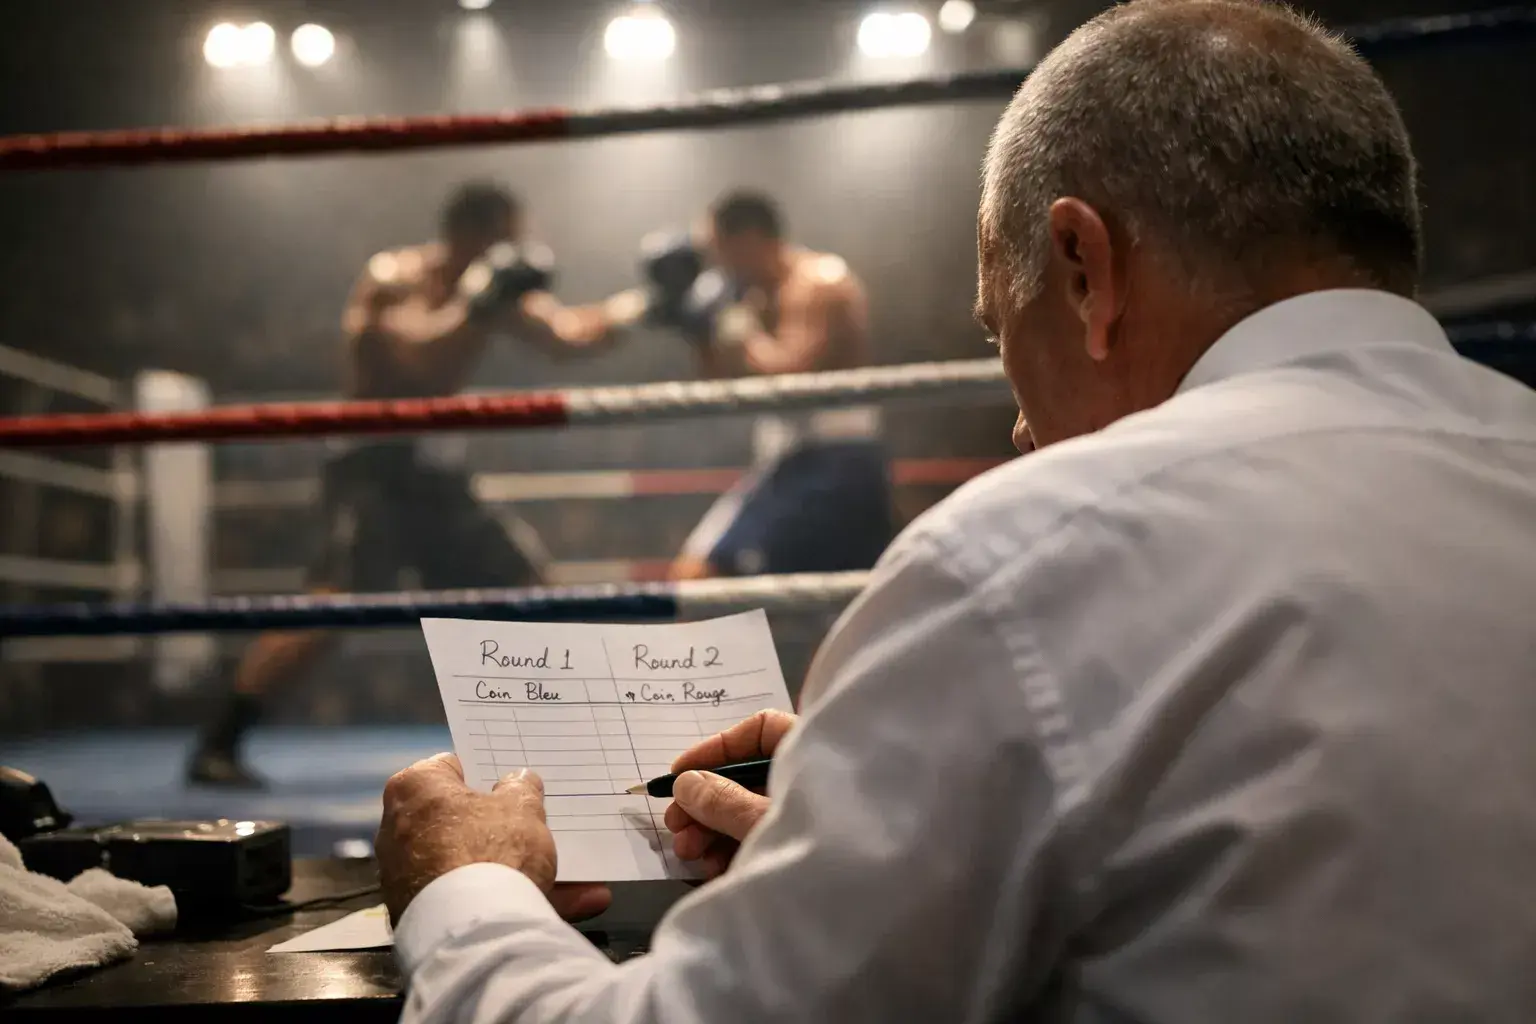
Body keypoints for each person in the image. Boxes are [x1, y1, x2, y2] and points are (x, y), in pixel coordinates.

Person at [377, 1, 1536, 1020]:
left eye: (999, 332)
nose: (1018, 427)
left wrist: (463, 891)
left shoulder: (1029, 555)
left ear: (1085, 268)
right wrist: (898, 793)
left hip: (828, 473)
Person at [188, 182, 628, 788]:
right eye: (512, 237)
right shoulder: (395, 276)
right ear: (479, 234)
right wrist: (479, 302)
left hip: (437, 475)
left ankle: (576, 741)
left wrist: (651, 304)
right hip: (376, 465)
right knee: (331, 607)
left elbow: (568, 338)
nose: (522, 248)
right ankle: (219, 742)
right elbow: (417, 361)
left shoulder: (492, 290)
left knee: (532, 590)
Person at [614, 191, 896, 580]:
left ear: (747, 240)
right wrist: (698, 332)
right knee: (827, 605)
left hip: (833, 456)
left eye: (717, 252)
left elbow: (790, 378)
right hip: (791, 456)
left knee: (701, 577)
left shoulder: (818, 283)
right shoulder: (756, 295)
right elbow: (724, 383)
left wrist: (733, 325)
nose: (715, 267)